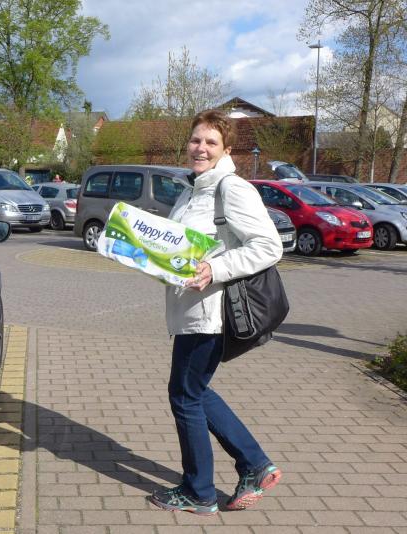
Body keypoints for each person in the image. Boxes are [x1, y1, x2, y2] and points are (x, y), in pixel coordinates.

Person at [150, 109, 283, 515]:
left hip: (212, 312)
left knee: (185, 396)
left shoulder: (232, 188)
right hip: (189, 309)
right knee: (194, 391)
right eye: (196, 140)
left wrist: (216, 268)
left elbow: (269, 246)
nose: (201, 148)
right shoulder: (191, 190)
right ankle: (254, 464)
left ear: (226, 150)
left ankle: (199, 491)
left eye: (211, 142)